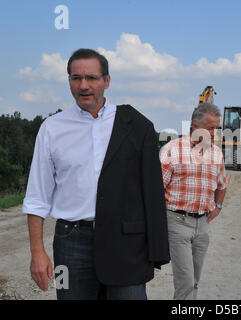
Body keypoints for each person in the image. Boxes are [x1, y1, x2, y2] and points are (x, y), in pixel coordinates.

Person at [23, 48, 169, 300]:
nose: (83, 85)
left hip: (126, 244)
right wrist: (37, 251)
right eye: (76, 78)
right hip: (70, 243)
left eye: (91, 78)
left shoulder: (136, 125)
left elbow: (153, 192)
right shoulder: (51, 128)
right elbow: (37, 196)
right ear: (69, 80)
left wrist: (156, 250)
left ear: (107, 81)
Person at [160, 102, 227, 300]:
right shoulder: (172, 150)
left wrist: (218, 207)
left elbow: (222, 185)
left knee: (195, 280)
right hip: (177, 222)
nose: (214, 133)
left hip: (203, 224)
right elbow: (156, 189)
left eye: (216, 128)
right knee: (186, 281)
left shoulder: (216, 153)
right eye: (210, 128)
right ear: (195, 126)